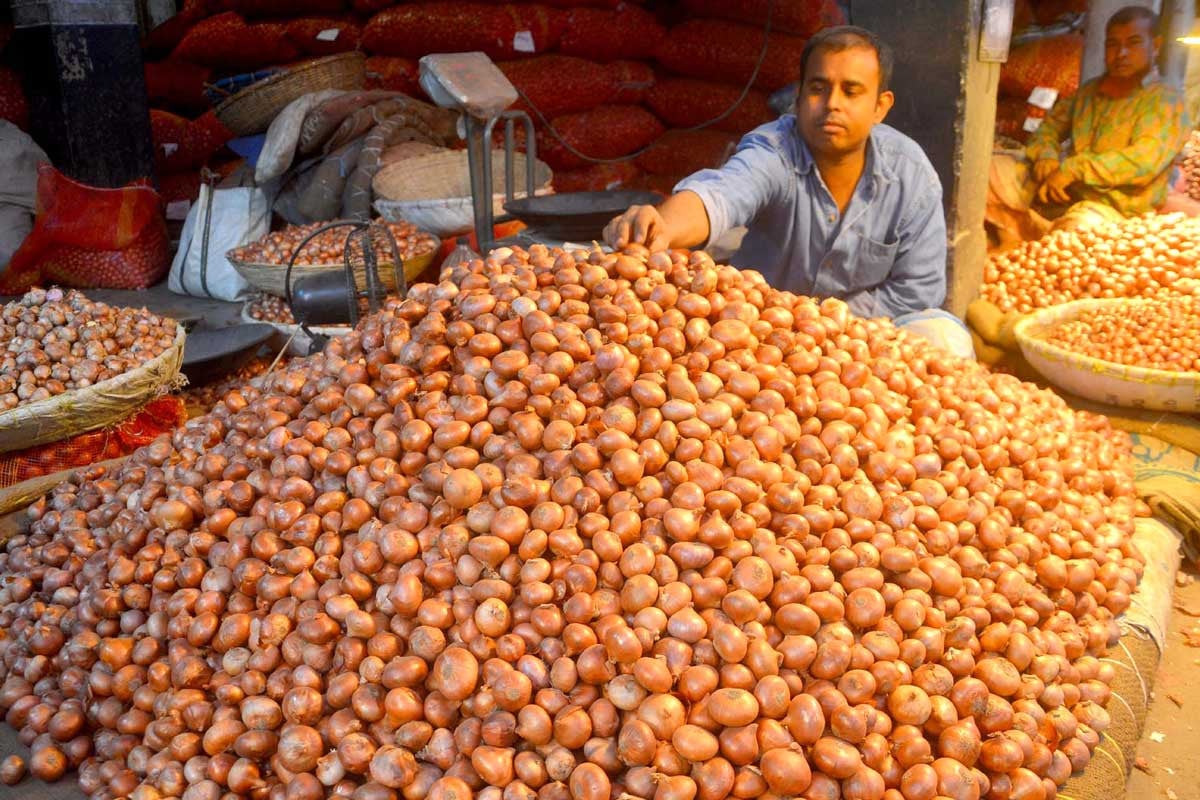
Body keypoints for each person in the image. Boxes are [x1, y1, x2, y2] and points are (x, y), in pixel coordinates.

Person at [603, 25, 973, 357]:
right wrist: (662, 227)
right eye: (818, 88)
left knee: (945, 336)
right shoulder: (775, 150)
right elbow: (723, 193)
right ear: (798, 98)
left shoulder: (911, 175)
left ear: (880, 106)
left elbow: (918, 293)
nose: (832, 104)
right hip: (762, 336)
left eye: (851, 91)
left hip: (868, 338)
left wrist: (828, 325)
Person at [987, 6, 1190, 245]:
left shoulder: (1167, 102)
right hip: (1064, 191)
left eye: (1133, 43)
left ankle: (1033, 241)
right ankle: (1024, 236)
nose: (1121, 53)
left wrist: (1074, 169)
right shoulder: (1090, 91)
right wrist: (1046, 157)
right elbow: (1048, 128)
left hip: (1116, 209)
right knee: (988, 173)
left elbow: (1142, 162)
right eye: (1113, 44)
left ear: (1155, 46)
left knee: (1073, 237)